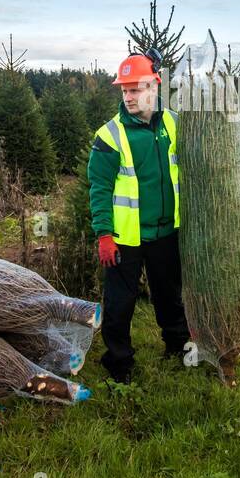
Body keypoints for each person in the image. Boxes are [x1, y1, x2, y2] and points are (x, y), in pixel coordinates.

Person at [87, 51, 190, 383]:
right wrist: (104, 234)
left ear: (153, 87)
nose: (128, 97)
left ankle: (178, 346)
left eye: (135, 89)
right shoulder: (110, 136)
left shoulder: (174, 124)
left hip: (166, 232)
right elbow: (99, 187)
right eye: (124, 90)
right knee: (120, 304)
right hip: (125, 238)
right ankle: (119, 364)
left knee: (169, 295)